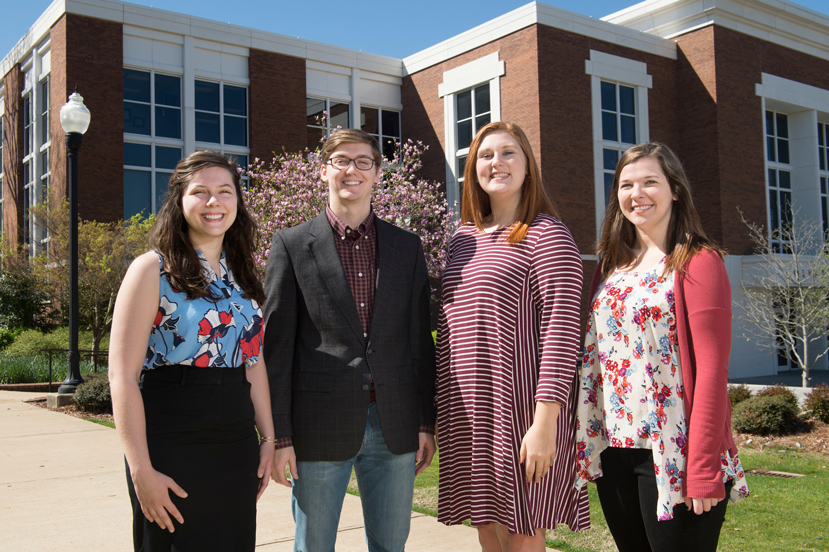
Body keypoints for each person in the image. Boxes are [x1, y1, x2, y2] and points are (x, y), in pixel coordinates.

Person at [263, 128, 436, 552]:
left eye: (363, 161)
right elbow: (277, 349)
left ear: (377, 173)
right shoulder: (289, 245)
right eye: (341, 160)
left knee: (390, 546)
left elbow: (419, 342)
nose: (352, 170)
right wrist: (279, 437)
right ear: (324, 171)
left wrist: (424, 423)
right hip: (318, 428)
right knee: (315, 546)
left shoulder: (407, 246)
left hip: (393, 425)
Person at [575, 142, 749, 551]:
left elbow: (711, 372)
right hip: (615, 447)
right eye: (626, 184)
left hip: (677, 451)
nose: (637, 193)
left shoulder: (698, 261)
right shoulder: (610, 264)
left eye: (650, 182)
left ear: (675, 190)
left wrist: (704, 468)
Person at [109, 151, 274, 551]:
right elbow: (122, 377)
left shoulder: (243, 274)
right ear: (179, 201)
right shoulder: (151, 269)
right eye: (200, 192)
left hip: (235, 444)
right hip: (172, 440)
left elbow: (253, 364)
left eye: (224, 191)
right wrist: (141, 470)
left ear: (238, 200)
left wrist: (268, 438)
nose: (213, 202)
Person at [436, 121, 589, 551]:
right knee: (486, 524)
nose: (496, 163)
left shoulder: (547, 234)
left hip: (521, 410)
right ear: (472, 169)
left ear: (527, 167)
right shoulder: (462, 238)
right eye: (485, 156)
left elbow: (562, 332)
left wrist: (545, 423)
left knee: (524, 530)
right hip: (469, 409)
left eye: (508, 153)